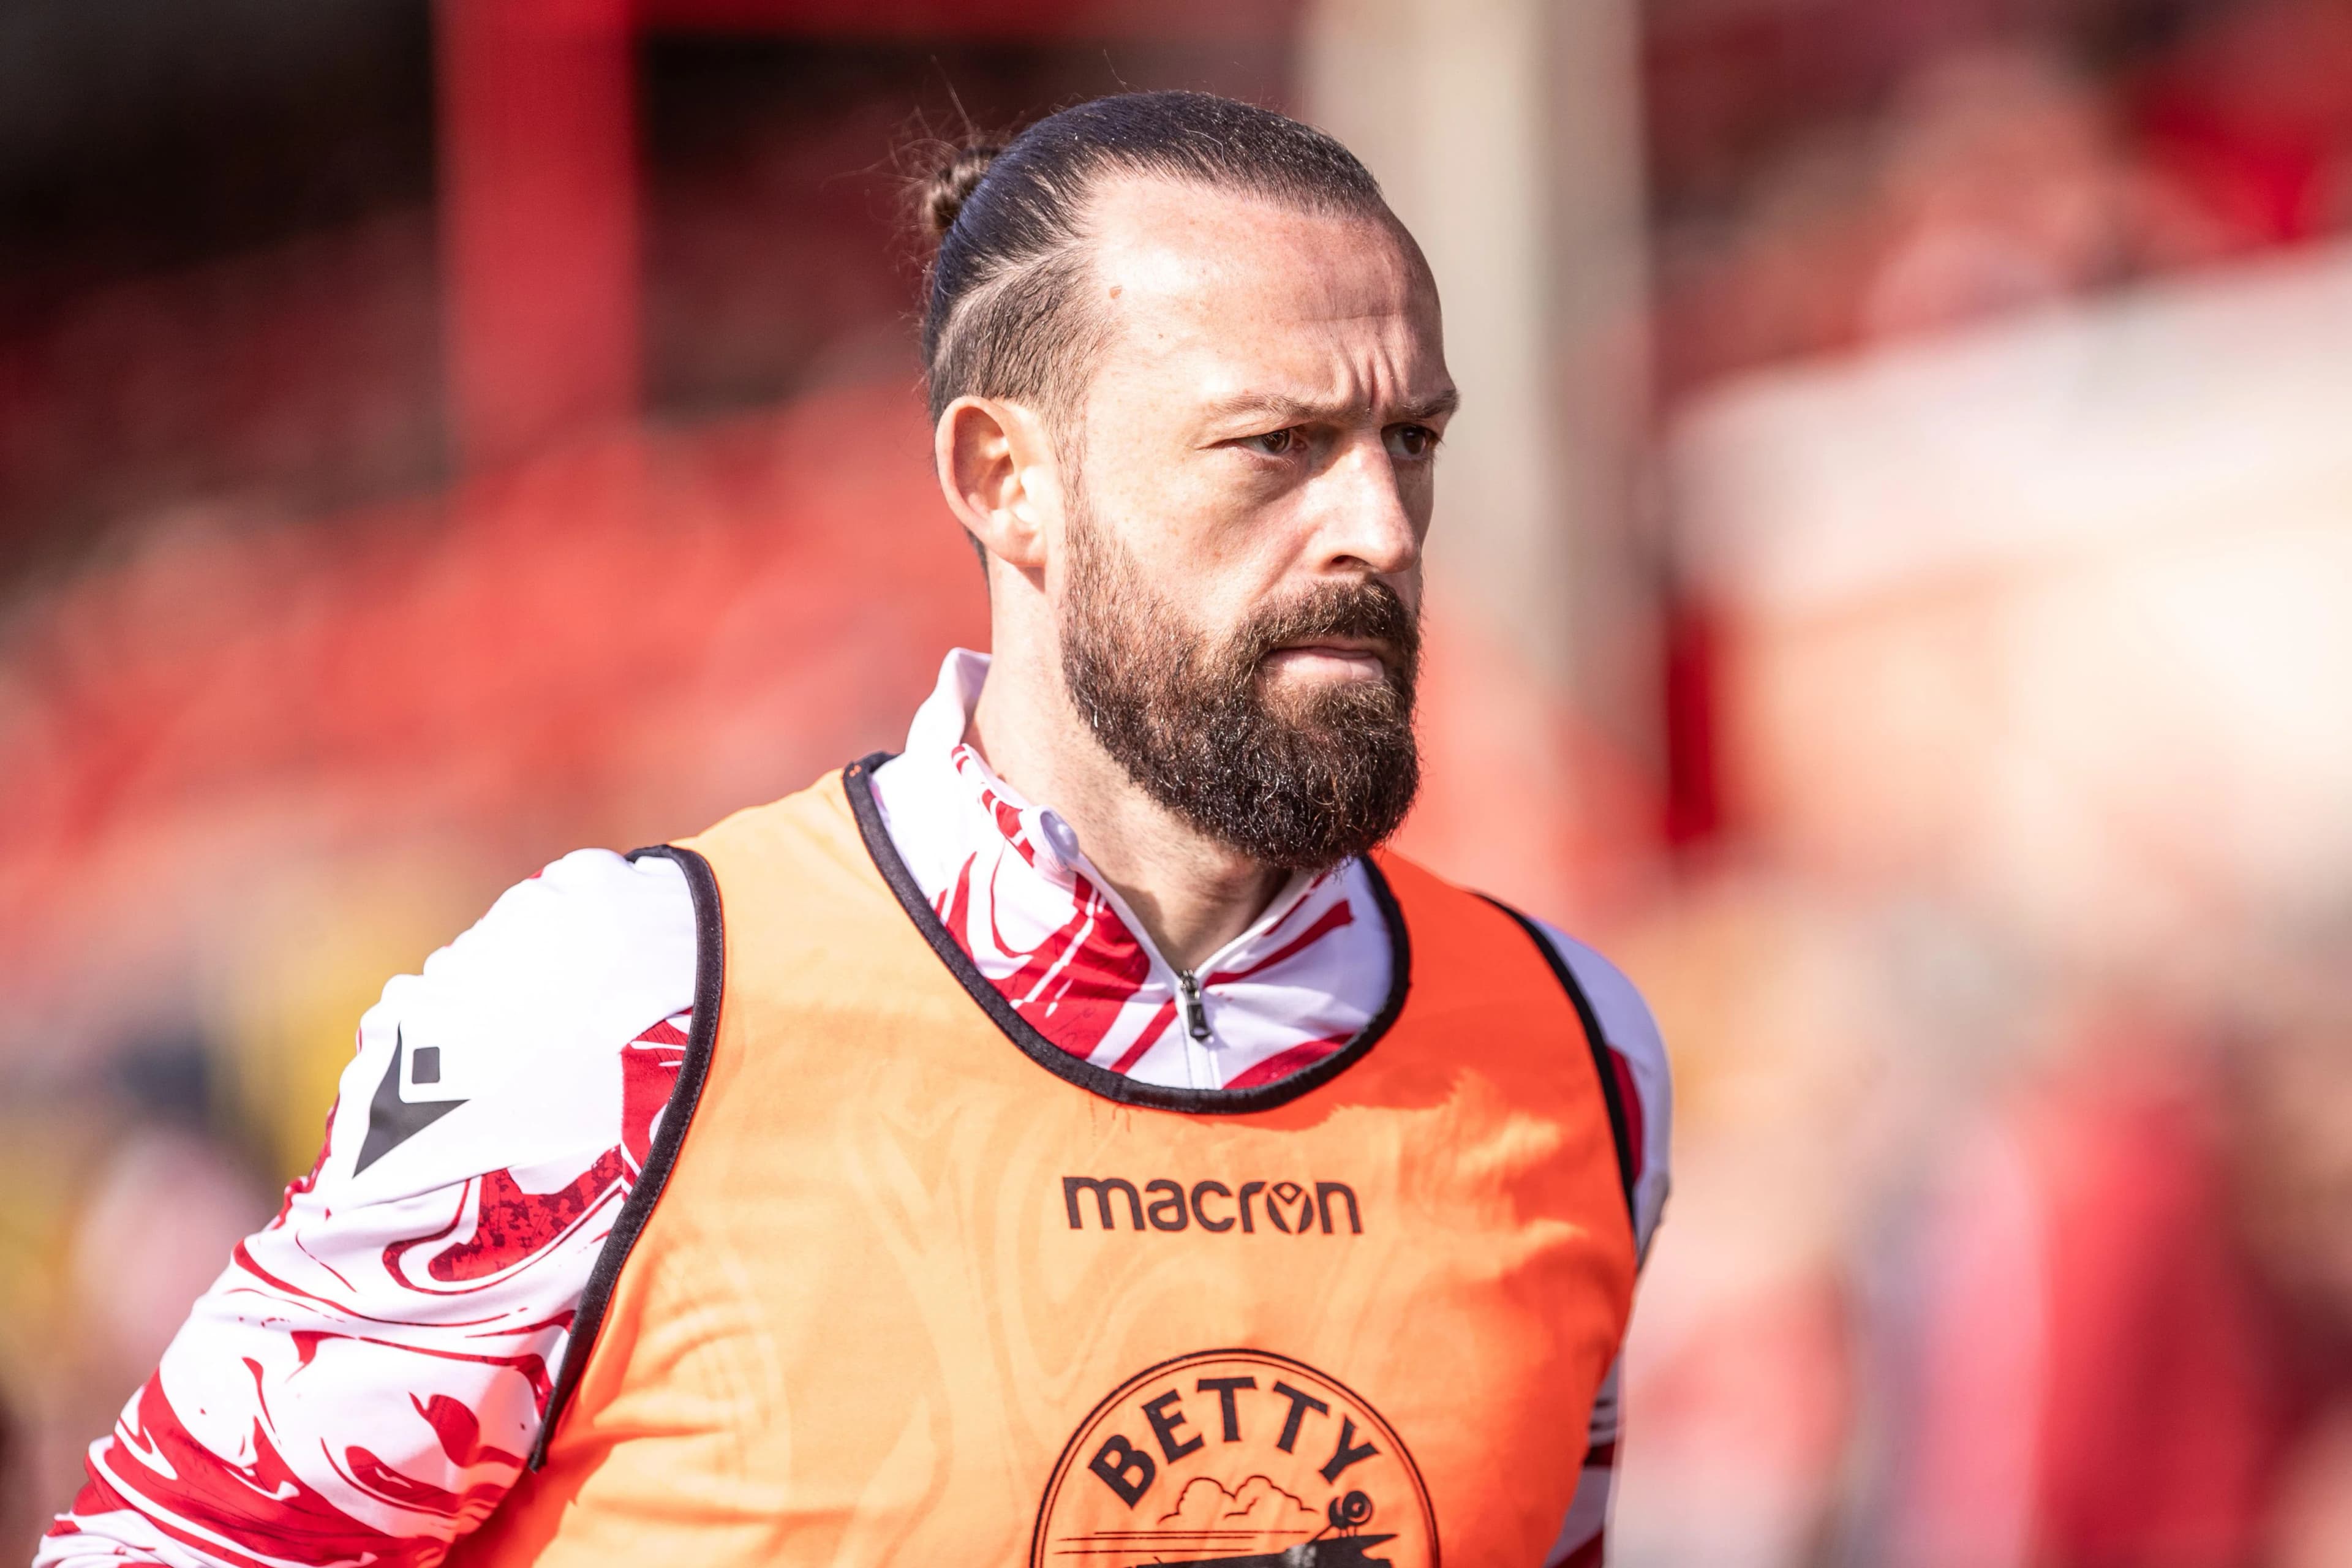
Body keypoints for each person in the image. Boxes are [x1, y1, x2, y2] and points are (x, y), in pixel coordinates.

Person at [37, 91, 1669, 1568]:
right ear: (1003, 477)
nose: (1378, 527)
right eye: (1280, 447)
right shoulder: (624, 1015)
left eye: (1411, 441)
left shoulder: (1577, 1056)